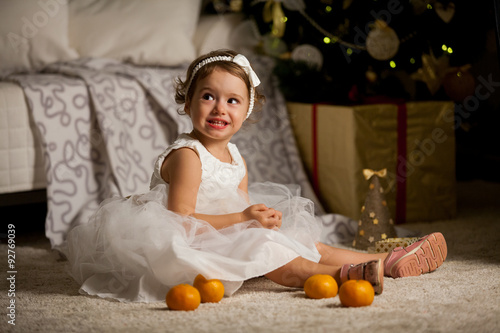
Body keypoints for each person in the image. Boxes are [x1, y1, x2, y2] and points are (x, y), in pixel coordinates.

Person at [66, 49, 447, 302]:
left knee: (302, 242)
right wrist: (244, 222)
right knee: (275, 257)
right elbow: (180, 220)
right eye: (207, 96)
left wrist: (260, 218)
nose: (219, 108)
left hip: (224, 230)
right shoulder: (188, 156)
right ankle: (347, 275)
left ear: (247, 111)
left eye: (232, 100)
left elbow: (241, 203)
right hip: (185, 243)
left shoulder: (235, 155)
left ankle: (386, 261)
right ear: (188, 102)